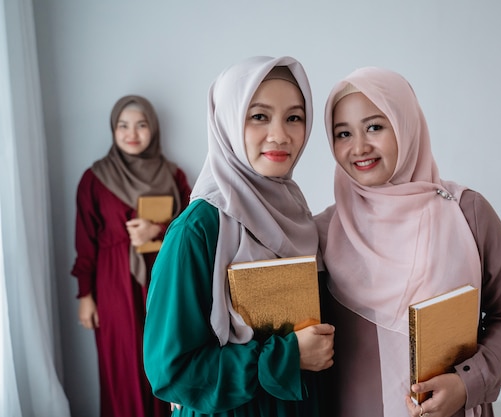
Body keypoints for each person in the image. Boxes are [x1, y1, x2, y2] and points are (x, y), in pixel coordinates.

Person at [315, 67, 501, 417]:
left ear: (406, 124)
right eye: (343, 133)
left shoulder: (466, 212)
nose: (359, 147)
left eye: (375, 126)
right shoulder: (324, 232)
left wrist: (467, 384)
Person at [143, 56, 335, 417]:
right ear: (228, 122)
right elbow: (172, 371)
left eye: (294, 117)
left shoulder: (296, 214)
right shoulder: (198, 229)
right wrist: (286, 358)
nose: (280, 134)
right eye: (259, 116)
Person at [71, 94, 191, 417]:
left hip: (163, 279)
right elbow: (85, 240)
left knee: (164, 356)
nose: (132, 133)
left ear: (153, 128)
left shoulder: (172, 175)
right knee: (122, 367)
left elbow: (190, 230)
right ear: (113, 129)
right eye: (123, 125)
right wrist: (86, 295)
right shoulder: (94, 179)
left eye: (141, 124)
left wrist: (157, 231)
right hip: (113, 285)